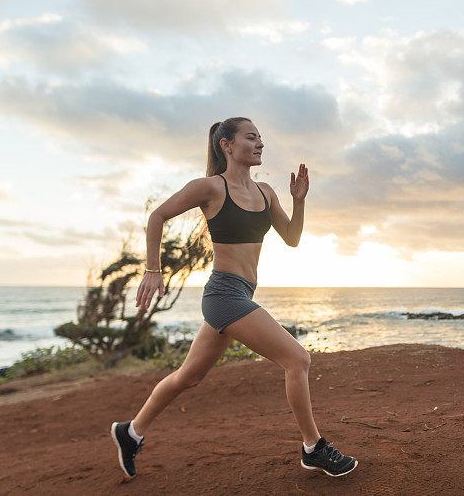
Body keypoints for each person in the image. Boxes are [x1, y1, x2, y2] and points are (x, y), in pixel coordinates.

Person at [110, 117, 358, 479]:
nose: (260, 144)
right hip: (223, 294)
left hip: (241, 294)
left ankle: (130, 431)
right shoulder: (210, 187)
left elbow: (291, 237)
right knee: (298, 359)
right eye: (251, 137)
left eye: (261, 138)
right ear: (227, 145)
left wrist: (299, 201)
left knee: (187, 378)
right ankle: (313, 447)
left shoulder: (266, 192)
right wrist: (152, 269)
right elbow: (157, 215)